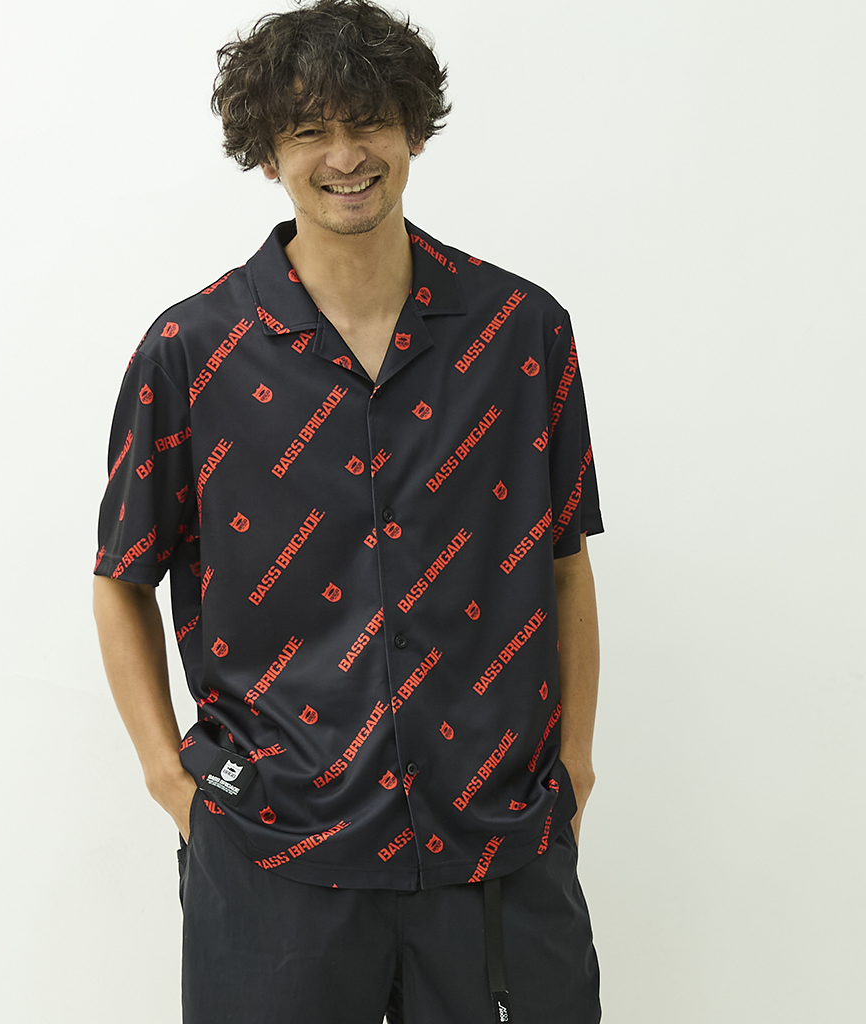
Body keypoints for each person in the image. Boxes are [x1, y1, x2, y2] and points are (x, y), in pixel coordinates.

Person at [92, 1, 603, 1020]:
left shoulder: (521, 331)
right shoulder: (191, 352)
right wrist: (172, 782)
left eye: (368, 121)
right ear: (267, 153)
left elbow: (562, 562)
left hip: (496, 848)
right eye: (307, 130)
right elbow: (122, 579)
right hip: (274, 852)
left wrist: (574, 769)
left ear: (413, 128)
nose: (344, 156)